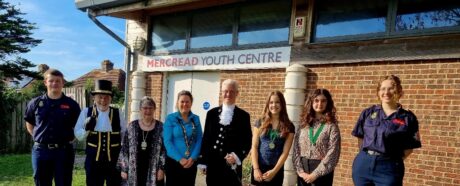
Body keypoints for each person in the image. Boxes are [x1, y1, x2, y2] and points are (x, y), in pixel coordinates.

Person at [351, 75, 422, 186]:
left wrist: (392, 161)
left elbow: (409, 148)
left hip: (389, 168)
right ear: (378, 92)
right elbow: (360, 138)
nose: (386, 92)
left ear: (398, 91)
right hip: (363, 164)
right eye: (383, 89)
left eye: (391, 88)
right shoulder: (368, 113)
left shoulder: (408, 118)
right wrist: (365, 156)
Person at [24, 69, 81, 186]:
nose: (54, 83)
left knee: (64, 182)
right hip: (41, 151)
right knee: (41, 182)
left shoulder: (72, 104)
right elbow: (29, 123)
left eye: (58, 81)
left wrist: (72, 138)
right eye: (51, 81)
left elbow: (78, 126)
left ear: (62, 83)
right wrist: (37, 136)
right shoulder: (35, 103)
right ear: (45, 82)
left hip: (64, 152)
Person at [198, 79, 252, 186]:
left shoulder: (244, 116)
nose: (228, 94)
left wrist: (237, 157)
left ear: (237, 93)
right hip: (213, 165)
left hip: (232, 165)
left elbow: (247, 141)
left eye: (232, 91)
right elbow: (206, 139)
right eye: (225, 91)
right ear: (221, 92)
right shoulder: (211, 114)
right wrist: (203, 161)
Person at [74, 79, 127, 186]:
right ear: (94, 97)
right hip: (93, 162)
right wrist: (86, 129)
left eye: (106, 97)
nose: (103, 100)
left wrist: (124, 158)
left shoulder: (117, 113)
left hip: (114, 162)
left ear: (111, 98)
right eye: (100, 97)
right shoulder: (86, 112)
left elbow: (124, 134)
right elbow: (78, 135)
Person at [293, 88, 341, 186]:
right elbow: (296, 149)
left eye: (323, 101)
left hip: (322, 171)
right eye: (316, 100)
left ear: (328, 103)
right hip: (303, 170)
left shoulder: (331, 126)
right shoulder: (303, 125)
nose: (320, 104)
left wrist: (315, 174)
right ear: (311, 102)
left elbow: (333, 152)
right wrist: (300, 171)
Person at [118, 96, 166, 185]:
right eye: (145, 108)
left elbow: (164, 150)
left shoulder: (161, 127)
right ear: (140, 109)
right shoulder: (132, 126)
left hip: (154, 171)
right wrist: (124, 169)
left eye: (150, 108)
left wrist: (161, 168)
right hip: (134, 170)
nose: (148, 111)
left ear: (154, 109)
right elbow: (125, 149)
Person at [250, 91, 295, 186]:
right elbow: (254, 147)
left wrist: (274, 171)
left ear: (282, 104)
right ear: (267, 104)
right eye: (271, 102)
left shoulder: (289, 126)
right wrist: (256, 169)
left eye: (277, 102)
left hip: (276, 171)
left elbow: (285, 152)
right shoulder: (260, 122)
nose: (274, 105)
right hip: (259, 169)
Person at [163, 90, 203, 186]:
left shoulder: (196, 118)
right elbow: (167, 141)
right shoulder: (170, 118)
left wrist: (193, 158)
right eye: (182, 101)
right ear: (177, 103)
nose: (185, 104)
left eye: (187, 101)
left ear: (191, 103)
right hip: (174, 163)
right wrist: (180, 159)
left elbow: (199, 139)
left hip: (191, 163)